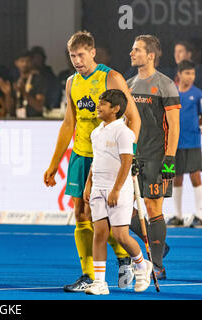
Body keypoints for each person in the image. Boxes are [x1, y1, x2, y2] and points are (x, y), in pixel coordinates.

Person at [43, 31, 141, 292]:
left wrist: (129, 155)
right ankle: (89, 275)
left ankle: (124, 257)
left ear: (93, 53)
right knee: (81, 214)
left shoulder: (111, 77)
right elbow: (68, 123)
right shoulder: (71, 82)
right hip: (82, 154)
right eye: (72, 56)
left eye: (81, 55)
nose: (76, 60)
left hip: (108, 158)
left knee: (108, 217)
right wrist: (54, 164)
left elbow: (134, 118)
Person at [83, 89, 153, 295]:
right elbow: (96, 161)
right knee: (100, 234)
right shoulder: (96, 132)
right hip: (98, 188)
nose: (98, 106)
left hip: (118, 190)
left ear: (115, 109)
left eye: (103, 103)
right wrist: (89, 184)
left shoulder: (123, 132)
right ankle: (100, 283)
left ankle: (142, 265)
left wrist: (116, 189)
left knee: (121, 235)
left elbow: (126, 163)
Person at [127, 34, 181, 280]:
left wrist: (170, 158)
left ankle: (156, 263)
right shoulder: (127, 85)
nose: (131, 53)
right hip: (132, 157)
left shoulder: (165, 85)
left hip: (157, 157)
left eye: (136, 50)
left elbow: (174, 125)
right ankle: (158, 243)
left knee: (152, 207)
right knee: (121, 212)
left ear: (150, 55)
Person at [168, 60, 202, 228]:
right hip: (175, 143)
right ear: (179, 74)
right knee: (176, 177)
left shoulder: (198, 94)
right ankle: (178, 215)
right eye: (187, 73)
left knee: (195, 175)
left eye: (193, 73)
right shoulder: (172, 93)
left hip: (193, 142)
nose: (191, 76)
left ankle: (200, 214)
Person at [12, 50, 47, 118]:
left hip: (35, 120)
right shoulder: (15, 80)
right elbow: (10, 110)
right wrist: (7, 94)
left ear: (32, 62)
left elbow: (39, 107)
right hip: (16, 121)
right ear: (16, 63)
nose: (25, 64)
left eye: (28, 61)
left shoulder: (38, 79)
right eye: (22, 61)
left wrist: (24, 93)